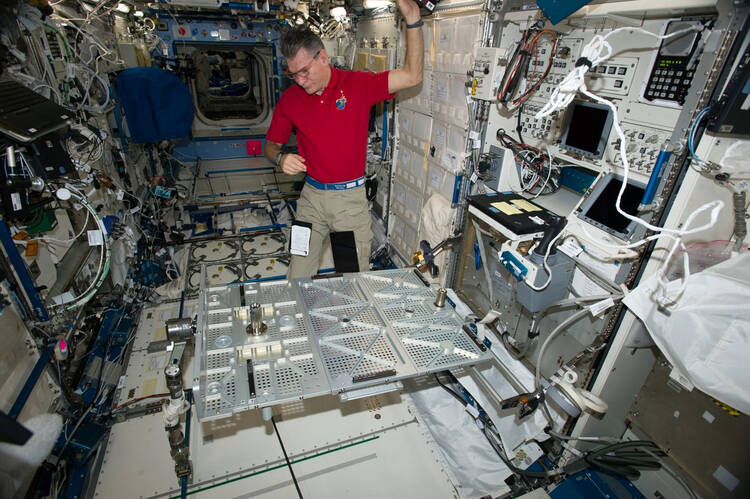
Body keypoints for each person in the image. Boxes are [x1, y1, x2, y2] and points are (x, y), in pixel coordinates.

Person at [264, 0, 424, 278]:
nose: (300, 80)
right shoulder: (290, 100)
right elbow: (271, 146)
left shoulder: (358, 85)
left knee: (352, 278)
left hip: (349, 202)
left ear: (323, 58)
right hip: (310, 200)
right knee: (297, 273)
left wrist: (413, 19)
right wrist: (280, 158)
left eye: (304, 71)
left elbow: (412, 75)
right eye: (293, 75)